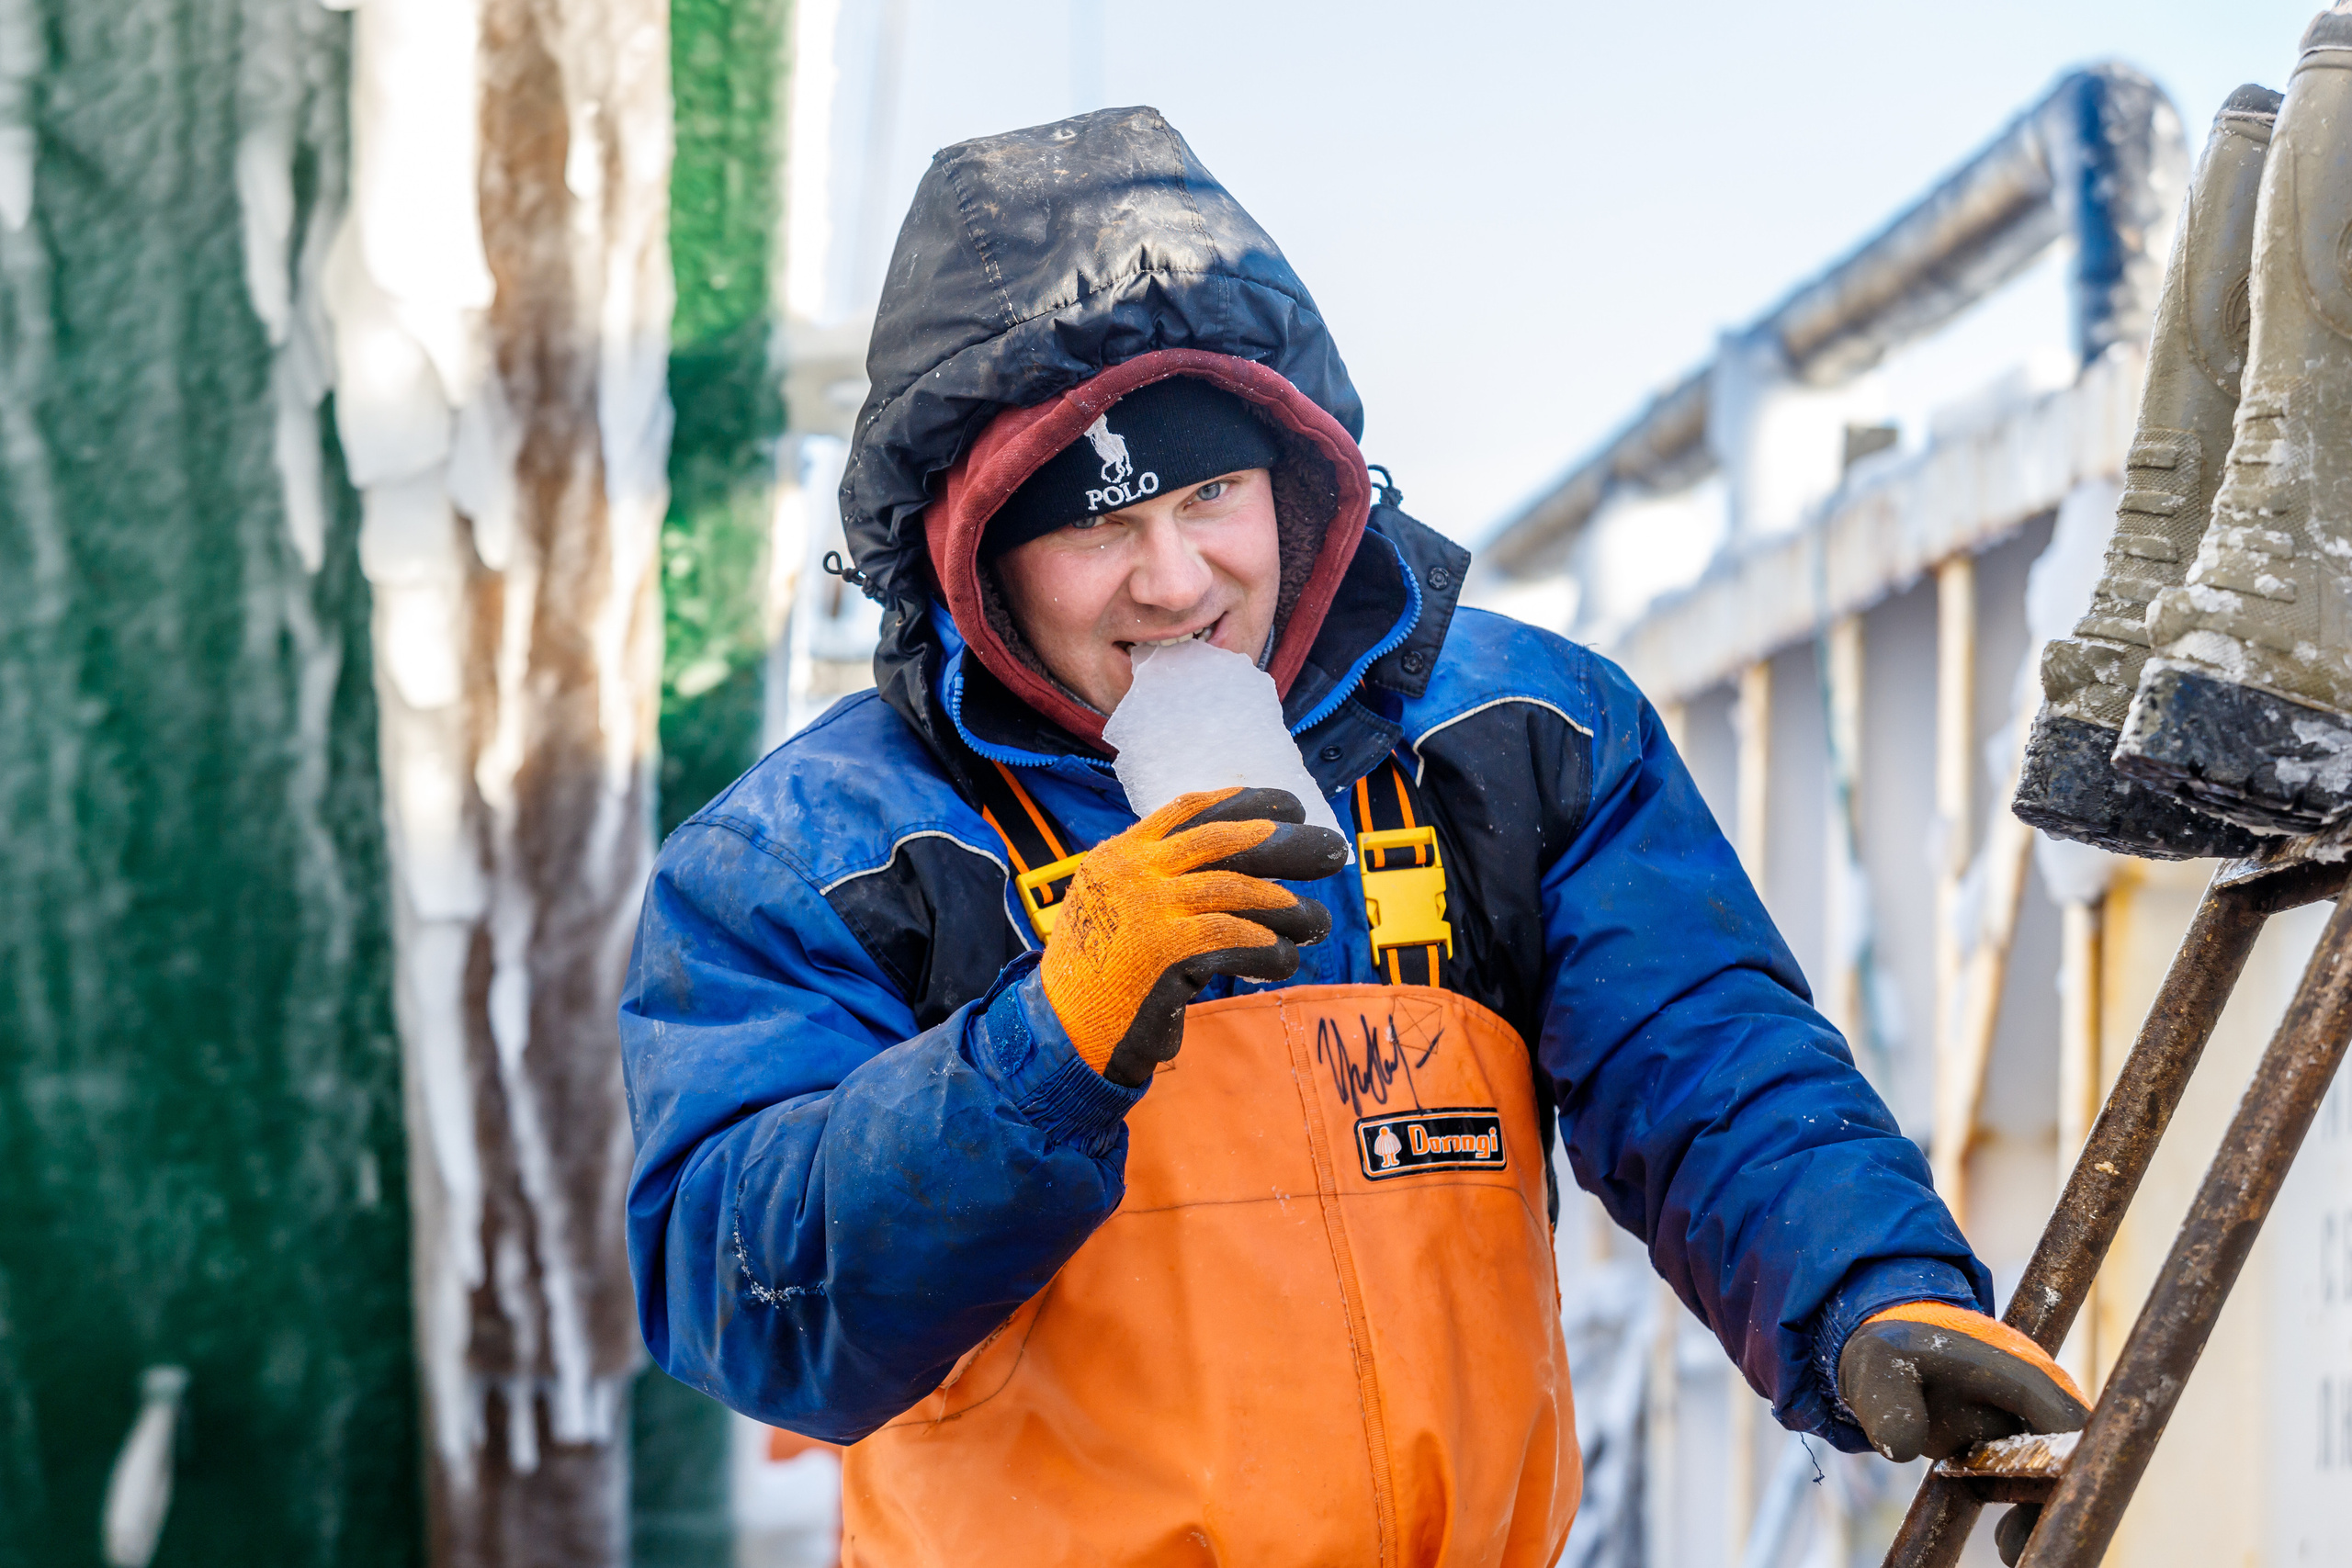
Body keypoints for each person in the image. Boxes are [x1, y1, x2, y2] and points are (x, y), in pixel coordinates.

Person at [621, 107, 2086, 1567]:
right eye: (1097, 527)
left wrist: (1870, 1292)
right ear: (978, 554)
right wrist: (1048, 1040)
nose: (1175, 580)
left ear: (1295, 478)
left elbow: (1700, 1053)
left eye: (1211, 494)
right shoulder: (813, 856)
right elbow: (746, 1306)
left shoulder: (1519, 732)